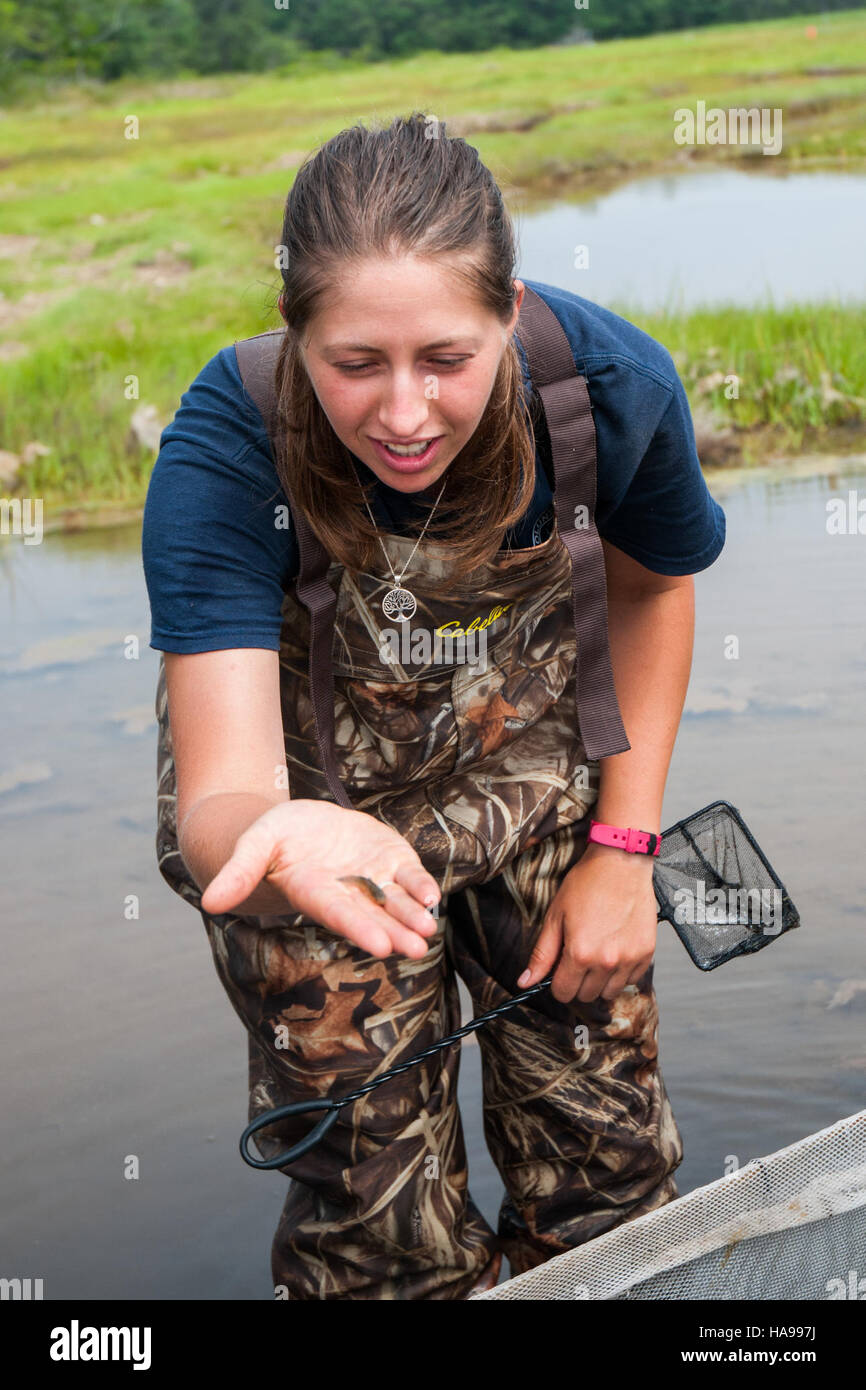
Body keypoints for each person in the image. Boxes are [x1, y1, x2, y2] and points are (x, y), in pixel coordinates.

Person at [142, 111, 725, 1301]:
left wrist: (624, 847)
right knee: (379, 1233)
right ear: (292, 324)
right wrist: (276, 837)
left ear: (508, 308)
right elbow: (219, 796)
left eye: (445, 359)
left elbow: (652, 590)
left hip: (536, 787)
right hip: (311, 828)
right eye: (355, 363)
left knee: (606, 1181)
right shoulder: (228, 443)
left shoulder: (609, 390)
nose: (403, 415)